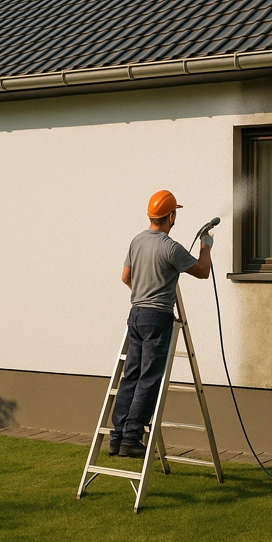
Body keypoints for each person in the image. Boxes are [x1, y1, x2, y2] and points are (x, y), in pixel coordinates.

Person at [110, 190, 213, 458]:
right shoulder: (170, 247)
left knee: (131, 375)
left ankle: (117, 436)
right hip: (157, 318)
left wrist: (143, 294)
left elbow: (125, 277)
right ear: (171, 215)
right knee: (149, 378)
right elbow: (202, 272)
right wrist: (206, 246)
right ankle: (132, 438)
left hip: (135, 315)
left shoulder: (137, 241)